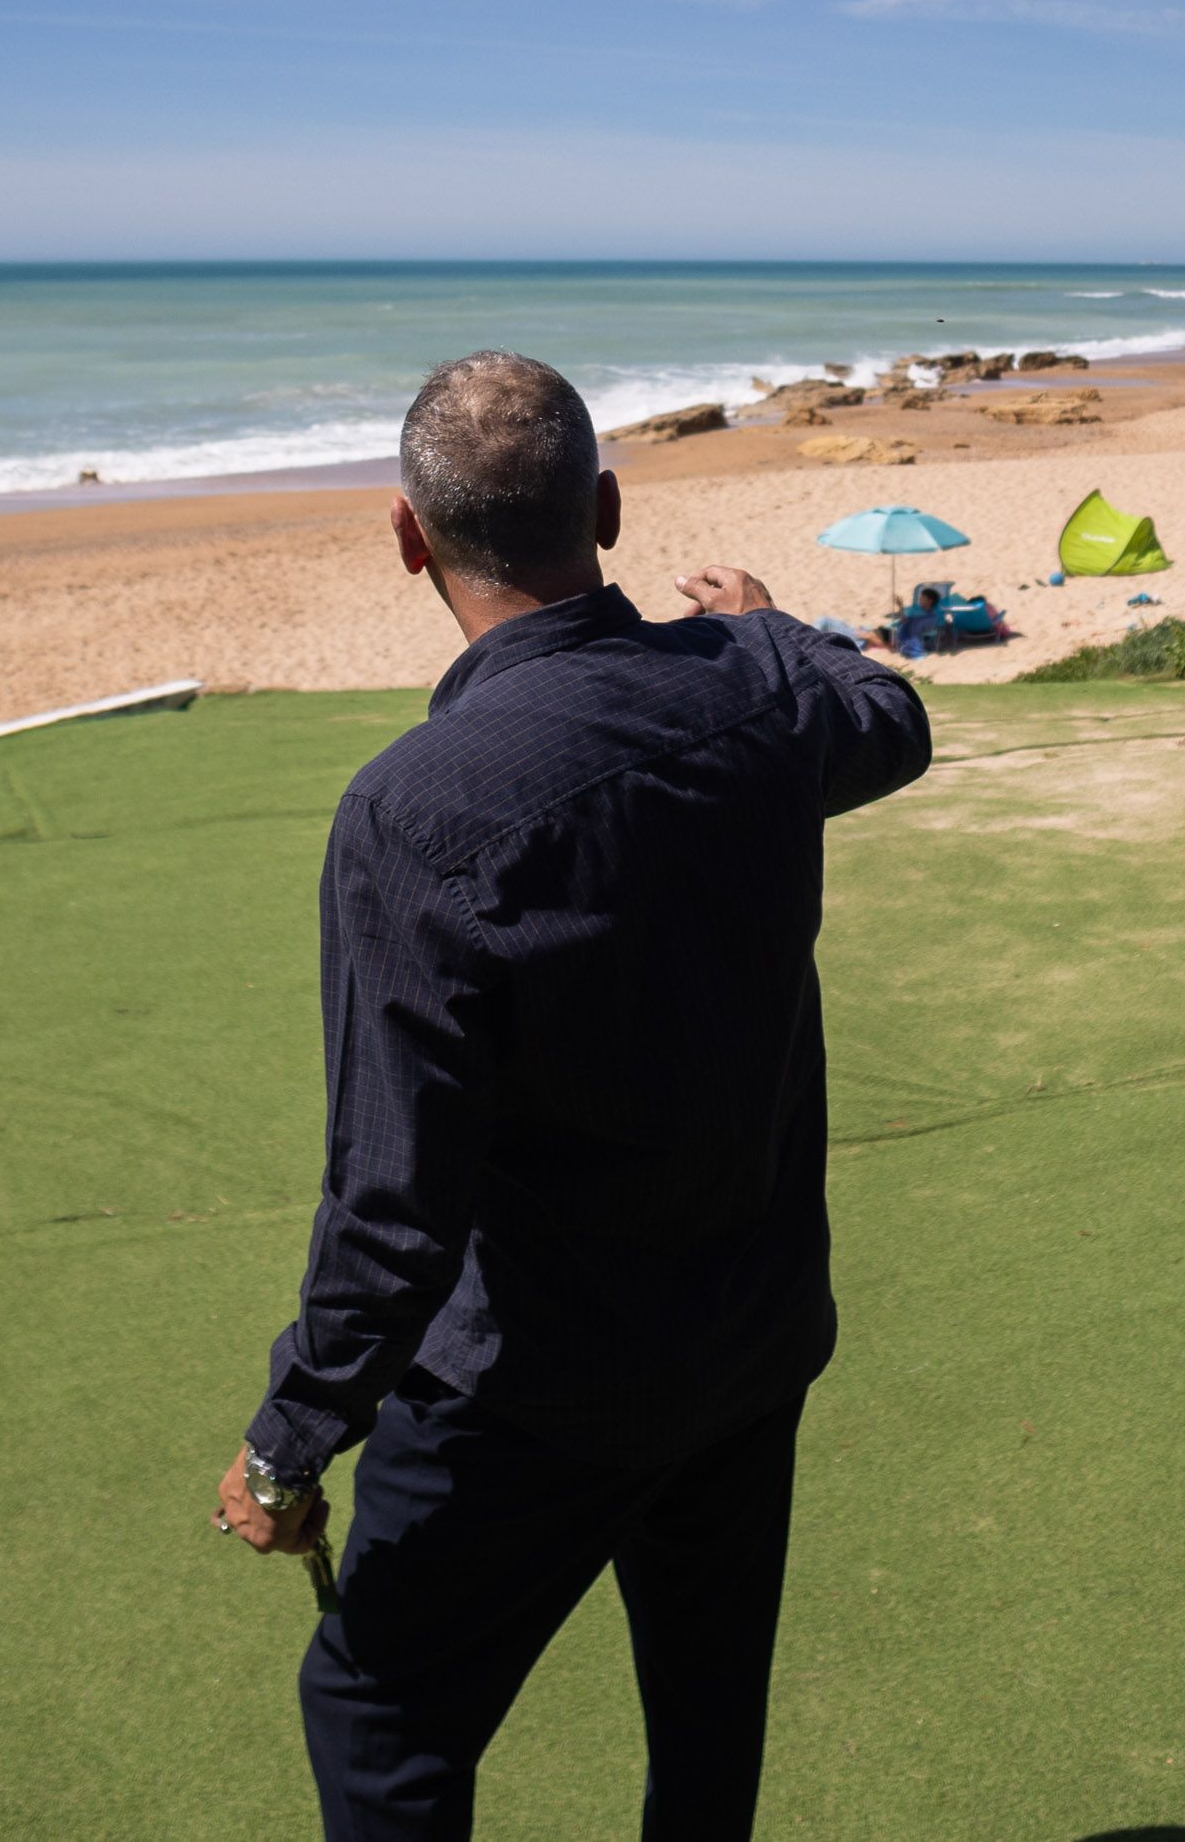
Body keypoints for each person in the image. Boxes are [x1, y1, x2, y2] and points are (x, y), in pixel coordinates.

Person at [216, 351, 934, 1839]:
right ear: (605, 511)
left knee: (380, 1710)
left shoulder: (415, 811)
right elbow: (892, 715)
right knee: (706, 1716)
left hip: (529, 1397)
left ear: (410, 538)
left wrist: (297, 1433)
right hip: (748, 1340)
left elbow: (395, 1196)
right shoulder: (756, 694)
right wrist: (771, 626)